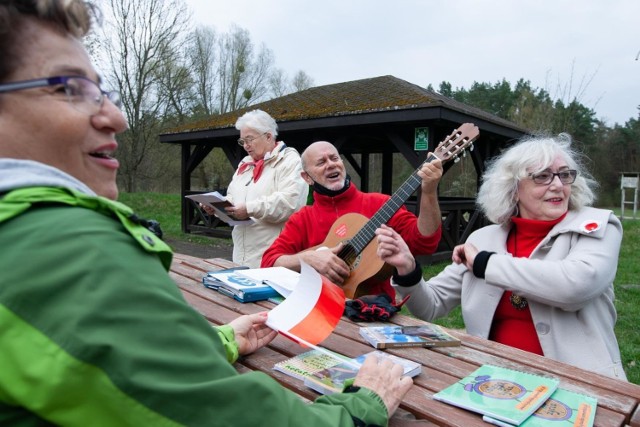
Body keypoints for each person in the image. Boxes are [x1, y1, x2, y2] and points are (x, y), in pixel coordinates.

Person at [0, 1, 413, 425]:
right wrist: (362, 406)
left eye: (101, 92)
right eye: (70, 88)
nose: (118, 118)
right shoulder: (70, 252)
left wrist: (215, 342)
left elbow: (116, 367)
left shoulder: (28, 239)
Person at [374, 134, 627, 380]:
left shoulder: (597, 226)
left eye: (565, 174)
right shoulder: (483, 239)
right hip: (494, 382)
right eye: (543, 176)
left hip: (584, 387)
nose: (558, 185)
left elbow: (574, 286)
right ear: (514, 189)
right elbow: (431, 306)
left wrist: (485, 263)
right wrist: (408, 268)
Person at [261, 140, 444, 299]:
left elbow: (424, 242)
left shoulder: (381, 204)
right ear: (307, 178)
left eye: (334, 158)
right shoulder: (302, 219)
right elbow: (269, 262)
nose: (331, 164)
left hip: (372, 312)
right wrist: (308, 259)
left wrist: (428, 192)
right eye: (321, 162)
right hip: (317, 306)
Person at [202, 109, 308, 268]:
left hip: (274, 260)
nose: (245, 146)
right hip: (240, 259)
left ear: (268, 136)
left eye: (249, 139)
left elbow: (288, 204)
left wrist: (249, 209)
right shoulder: (244, 165)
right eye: (242, 141)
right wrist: (216, 207)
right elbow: (233, 198)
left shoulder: (291, 162)